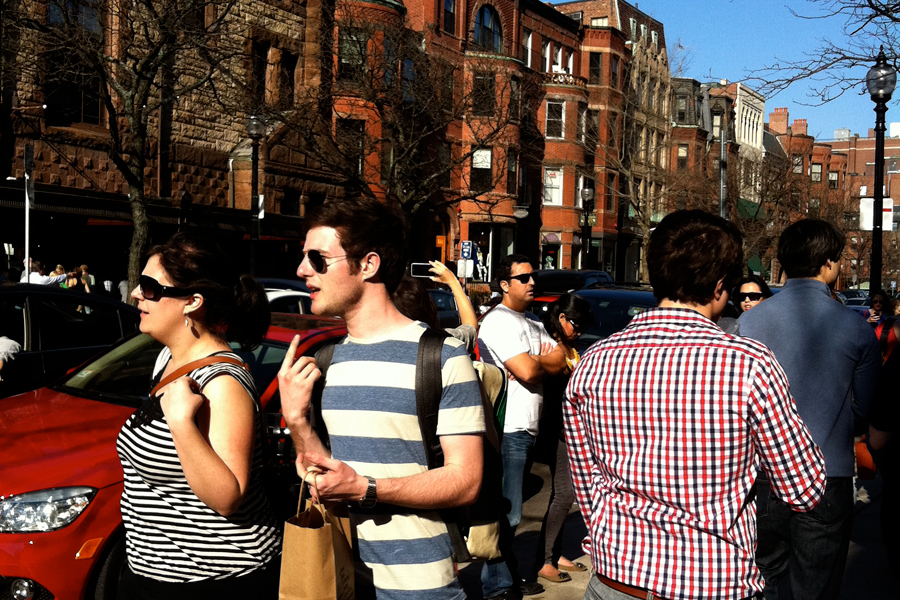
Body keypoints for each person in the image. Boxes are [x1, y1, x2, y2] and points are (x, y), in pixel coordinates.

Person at [566, 210, 826, 600]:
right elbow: (803, 488)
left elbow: (587, 487)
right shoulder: (748, 364)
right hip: (714, 580)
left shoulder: (594, 361)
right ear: (721, 286)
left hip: (617, 580)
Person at [278, 197, 485, 599]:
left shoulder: (441, 357)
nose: (302, 270)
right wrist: (297, 420)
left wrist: (366, 488)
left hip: (418, 587)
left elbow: (466, 481)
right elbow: (319, 477)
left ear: (368, 265)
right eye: (304, 258)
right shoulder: (325, 360)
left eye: (318, 259)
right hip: (337, 576)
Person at [116, 232, 280, 599]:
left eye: (149, 287)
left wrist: (180, 423)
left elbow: (228, 495)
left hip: (216, 579)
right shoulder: (167, 359)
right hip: (152, 573)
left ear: (192, 302)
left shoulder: (222, 382)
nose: (136, 294)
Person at [740, 219, 881, 600]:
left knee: (760, 581)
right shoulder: (855, 329)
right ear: (829, 264)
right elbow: (865, 408)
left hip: (761, 474)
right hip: (827, 472)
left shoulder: (747, 323)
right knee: (816, 588)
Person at [477, 254, 567, 600]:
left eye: (534, 276)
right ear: (504, 285)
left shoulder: (532, 321)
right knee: (509, 512)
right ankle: (497, 585)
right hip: (510, 429)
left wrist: (537, 364)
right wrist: (538, 365)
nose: (533, 283)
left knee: (511, 511)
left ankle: (509, 577)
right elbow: (529, 372)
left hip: (531, 428)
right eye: (524, 278)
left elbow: (560, 359)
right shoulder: (498, 321)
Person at [533, 294, 594, 585]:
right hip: (558, 431)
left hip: (571, 430)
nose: (580, 330)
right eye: (576, 324)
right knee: (562, 497)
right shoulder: (554, 348)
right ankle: (544, 560)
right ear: (561, 319)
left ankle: (554, 555)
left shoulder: (571, 348)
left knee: (565, 497)